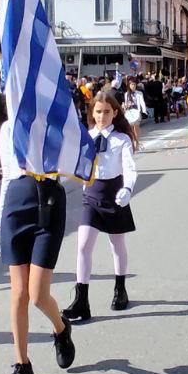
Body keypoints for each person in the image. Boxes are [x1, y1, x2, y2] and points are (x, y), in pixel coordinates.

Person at [0, 122, 77, 374]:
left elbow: (72, 160)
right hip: (16, 204)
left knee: (38, 295)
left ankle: (61, 328)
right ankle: (22, 364)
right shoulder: (8, 128)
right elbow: (7, 174)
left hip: (48, 203)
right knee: (19, 293)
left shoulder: (53, 120)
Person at [63, 90, 138, 320]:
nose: (102, 116)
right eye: (98, 111)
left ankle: (120, 289)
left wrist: (127, 188)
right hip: (91, 196)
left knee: (117, 244)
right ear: (92, 113)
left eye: (106, 112)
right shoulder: (86, 136)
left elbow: (129, 168)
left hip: (115, 195)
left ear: (115, 113)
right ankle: (81, 300)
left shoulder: (121, 139)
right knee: (83, 245)